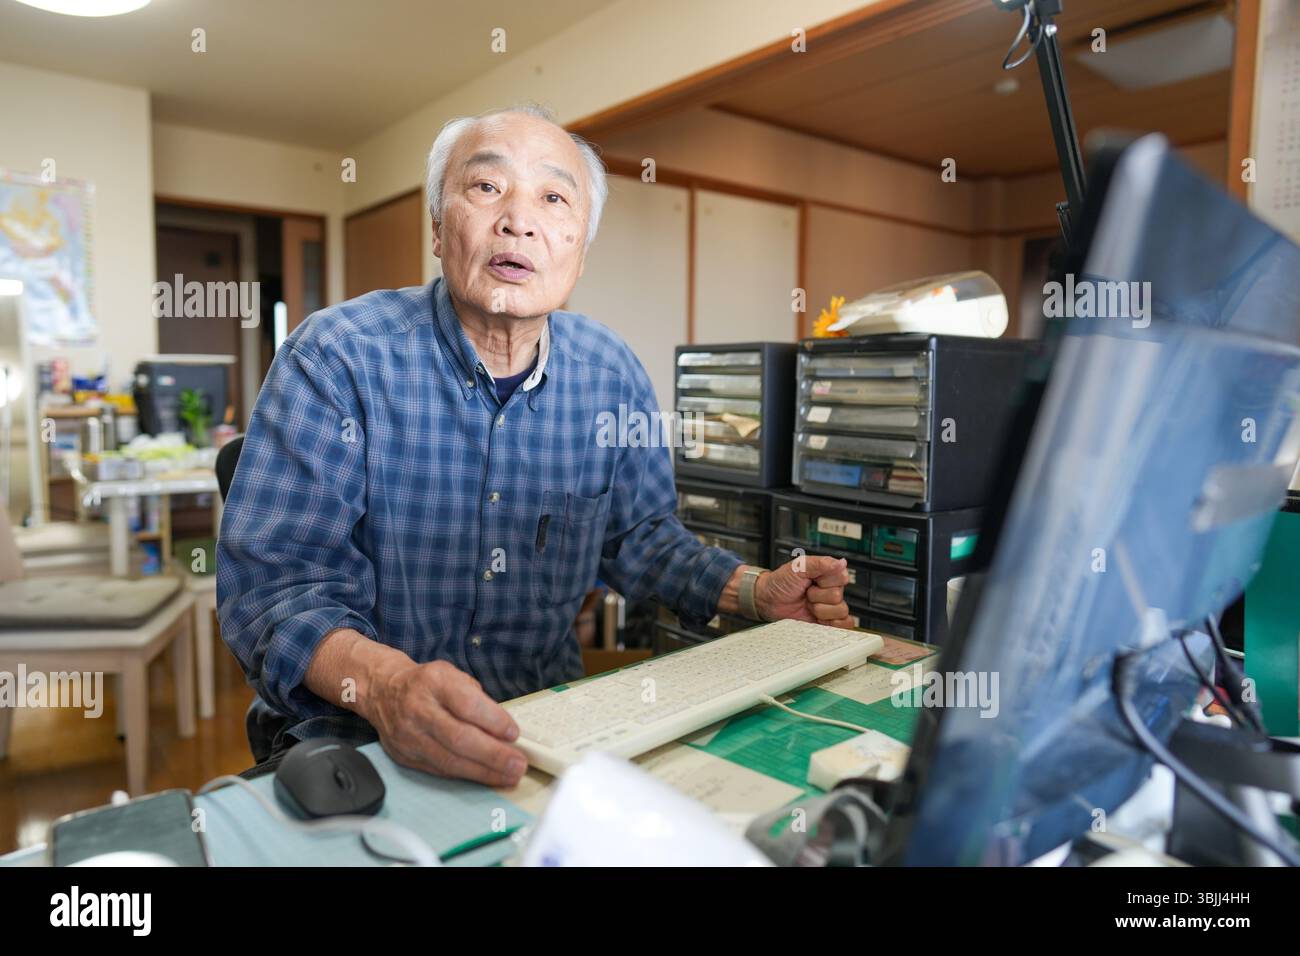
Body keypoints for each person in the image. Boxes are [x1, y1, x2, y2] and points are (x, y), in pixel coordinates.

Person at [217, 104, 853, 788]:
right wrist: (385, 688)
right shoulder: (337, 357)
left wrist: (757, 592)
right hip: (358, 737)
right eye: (487, 187)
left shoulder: (610, 373)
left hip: (549, 729)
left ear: (579, 251)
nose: (518, 220)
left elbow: (638, 539)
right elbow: (275, 589)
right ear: (437, 226)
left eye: (553, 197)